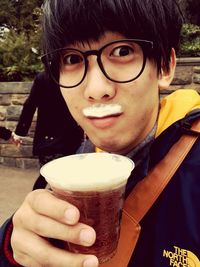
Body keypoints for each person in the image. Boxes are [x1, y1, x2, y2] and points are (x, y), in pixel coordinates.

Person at [0, 0, 200, 266]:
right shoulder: (75, 167)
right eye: (72, 59)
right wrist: (14, 248)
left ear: (164, 66)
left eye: (122, 51)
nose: (95, 88)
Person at [12, 71, 83, 189]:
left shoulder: (43, 77)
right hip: (69, 136)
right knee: (59, 177)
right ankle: (38, 200)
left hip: (51, 138)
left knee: (50, 175)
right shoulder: (74, 74)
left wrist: (20, 132)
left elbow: (30, 105)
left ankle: (39, 199)